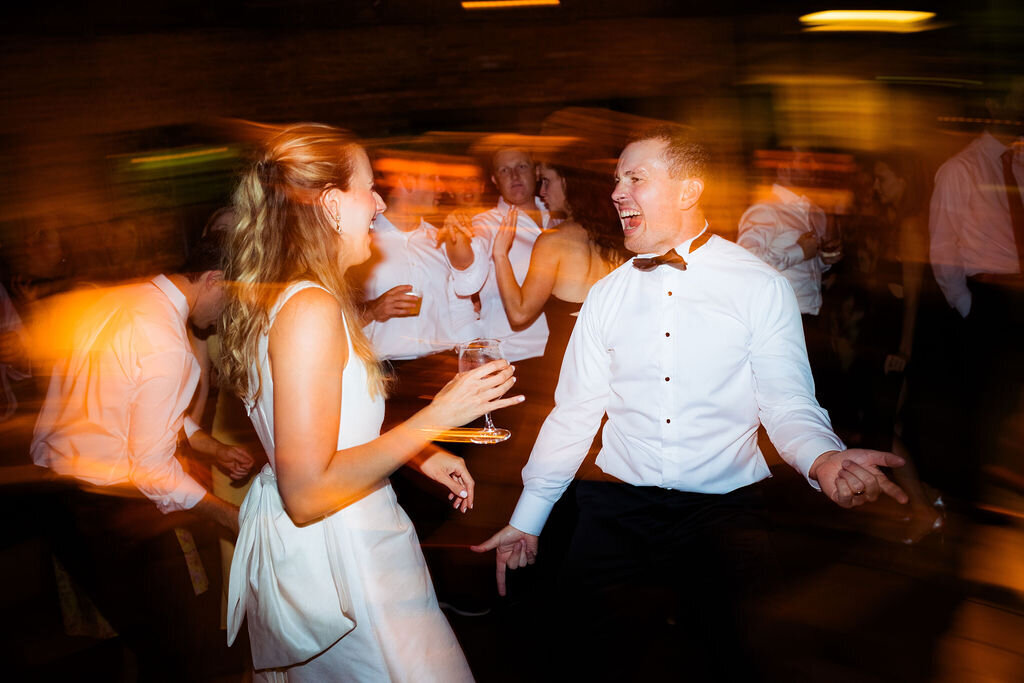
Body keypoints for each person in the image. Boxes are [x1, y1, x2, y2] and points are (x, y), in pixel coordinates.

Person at [473, 126, 908, 680]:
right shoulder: (607, 295)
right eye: (616, 180)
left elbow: (787, 403)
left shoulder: (758, 286)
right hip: (616, 510)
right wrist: (528, 518)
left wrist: (823, 458)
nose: (617, 192)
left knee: (742, 660)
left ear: (688, 190)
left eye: (636, 178)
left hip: (724, 515)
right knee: (582, 658)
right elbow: (575, 413)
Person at [220, 123, 524, 681]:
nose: (379, 202)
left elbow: (323, 428)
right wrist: (437, 418)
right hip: (347, 559)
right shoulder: (310, 308)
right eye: (368, 187)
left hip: (340, 539)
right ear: (333, 205)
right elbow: (308, 492)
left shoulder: (292, 296)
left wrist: (421, 453)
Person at [31, 234, 254, 681]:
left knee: (154, 643)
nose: (231, 313)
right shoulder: (170, 347)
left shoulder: (118, 299)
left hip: (59, 497)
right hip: (110, 505)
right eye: (234, 299)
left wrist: (207, 444)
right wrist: (229, 514)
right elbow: (151, 466)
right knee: (182, 653)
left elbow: (128, 398)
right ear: (214, 279)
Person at [928, 77, 1024, 502]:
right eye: (1016, 95)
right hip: (989, 299)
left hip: (1017, 296)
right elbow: (943, 246)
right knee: (984, 405)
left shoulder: (1020, 164)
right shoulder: (960, 169)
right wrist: (969, 306)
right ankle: (970, 497)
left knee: (1009, 403)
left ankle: (992, 485)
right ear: (993, 103)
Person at [490, 153, 625, 398]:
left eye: (547, 181)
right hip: (614, 366)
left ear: (568, 183)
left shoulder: (554, 240)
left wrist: (500, 255)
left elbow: (519, 314)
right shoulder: (620, 238)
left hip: (566, 367)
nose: (542, 192)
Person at [354, 152, 480, 360]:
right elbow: (331, 316)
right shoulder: (362, 240)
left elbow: (462, 309)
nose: (441, 188)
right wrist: (372, 310)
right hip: (383, 371)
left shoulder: (442, 240)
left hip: (441, 366)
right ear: (406, 180)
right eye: (433, 179)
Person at [448, 144, 554, 362]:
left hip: (562, 352)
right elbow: (466, 264)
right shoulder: (486, 223)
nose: (514, 175)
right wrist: (456, 236)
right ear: (495, 180)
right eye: (504, 170)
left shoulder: (558, 217)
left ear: (535, 172)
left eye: (521, 166)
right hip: (512, 357)